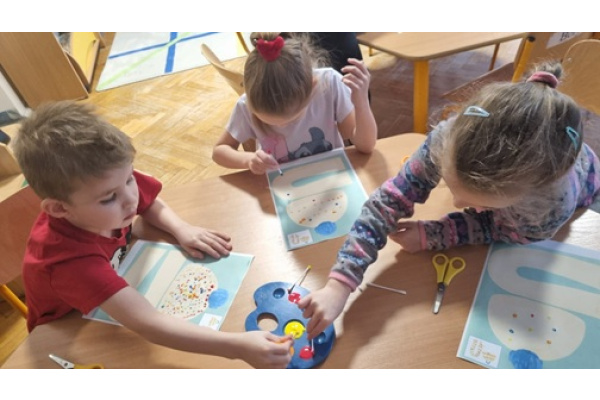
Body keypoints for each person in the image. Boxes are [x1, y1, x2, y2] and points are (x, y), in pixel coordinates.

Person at [298, 62, 600, 338]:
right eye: (453, 187)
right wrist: (339, 284)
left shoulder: (549, 206)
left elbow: (498, 229)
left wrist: (437, 233)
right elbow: (386, 202)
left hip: (580, 202)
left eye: (482, 204)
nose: (457, 204)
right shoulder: (450, 137)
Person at [12, 101, 293, 368]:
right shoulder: (69, 263)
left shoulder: (106, 188)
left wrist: (181, 228)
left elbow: (149, 202)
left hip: (115, 280)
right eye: (109, 198)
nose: (130, 200)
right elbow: (149, 324)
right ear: (59, 209)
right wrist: (236, 347)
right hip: (68, 327)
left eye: (129, 179)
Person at [212, 32, 377, 175]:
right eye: (269, 122)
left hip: (330, 178)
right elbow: (219, 151)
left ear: (312, 86)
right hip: (281, 184)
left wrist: (361, 103)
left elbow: (366, 146)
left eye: (294, 118)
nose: (283, 126)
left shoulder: (328, 84)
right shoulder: (246, 104)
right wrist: (248, 160)